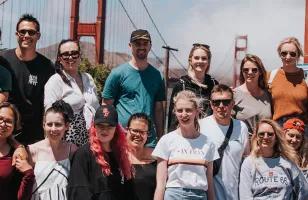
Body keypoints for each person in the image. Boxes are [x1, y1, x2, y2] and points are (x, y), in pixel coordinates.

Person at [102, 29, 166, 148]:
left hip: (149, 141)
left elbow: (158, 110)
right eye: (137, 43)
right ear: (130, 46)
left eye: (145, 43)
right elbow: (106, 107)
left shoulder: (158, 76)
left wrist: (161, 139)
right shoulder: (117, 74)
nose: (141, 47)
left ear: (150, 46)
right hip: (122, 140)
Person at [0, 14, 54, 145]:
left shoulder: (47, 67)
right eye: (22, 31)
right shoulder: (2, 60)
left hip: (34, 136)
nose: (27, 35)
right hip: (5, 132)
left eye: (31, 32)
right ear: (16, 34)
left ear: (38, 36)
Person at [153, 90, 217, 200]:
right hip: (174, 195)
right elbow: (160, 185)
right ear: (175, 112)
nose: (184, 114)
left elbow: (210, 184)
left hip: (200, 196)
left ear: (197, 112)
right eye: (179, 110)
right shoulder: (166, 140)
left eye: (188, 110)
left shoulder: (208, 143)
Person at [67, 104, 135, 200]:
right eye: (100, 125)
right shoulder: (83, 154)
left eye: (110, 126)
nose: (105, 130)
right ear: (94, 127)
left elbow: (129, 192)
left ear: (116, 129)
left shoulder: (121, 155)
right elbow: (78, 191)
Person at [44, 39, 100, 146]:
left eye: (74, 53)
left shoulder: (88, 78)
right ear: (60, 59)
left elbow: (96, 107)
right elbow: (49, 115)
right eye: (65, 55)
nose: (70, 57)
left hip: (91, 140)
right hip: (66, 142)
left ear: (80, 56)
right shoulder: (55, 81)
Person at [199, 84, 249, 200]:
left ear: (232, 104)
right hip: (206, 195)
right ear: (211, 104)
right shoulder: (200, 126)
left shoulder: (241, 127)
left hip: (234, 194)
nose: (221, 106)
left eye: (226, 102)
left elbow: (246, 162)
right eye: (216, 102)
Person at [239, 119, 308, 199]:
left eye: (270, 134)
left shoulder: (287, 161)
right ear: (256, 137)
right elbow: (245, 196)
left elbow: (303, 190)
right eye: (261, 134)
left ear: (276, 138)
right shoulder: (249, 163)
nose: (265, 137)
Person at [28, 100, 77, 200]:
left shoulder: (72, 150)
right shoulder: (32, 150)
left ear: (66, 126)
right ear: (43, 125)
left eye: (58, 124)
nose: (53, 129)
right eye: (49, 124)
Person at [168, 43, 218, 132]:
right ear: (190, 60)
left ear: (208, 61)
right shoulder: (181, 85)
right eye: (196, 58)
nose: (200, 61)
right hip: (185, 136)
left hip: (209, 135)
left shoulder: (214, 84)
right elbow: (173, 119)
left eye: (204, 58)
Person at [268, 37, 307, 129]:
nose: (288, 57)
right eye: (284, 53)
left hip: (300, 129)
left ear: (298, 56)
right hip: (278, 128)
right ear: (279, 55)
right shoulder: (270, 76)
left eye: (292, 54)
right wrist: (233, 93)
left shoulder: (306, 78)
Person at [0, 102, 34, 200]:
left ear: (15, 126)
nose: (3, 124)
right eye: (0, 118)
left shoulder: (17, 155)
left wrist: (28, 174)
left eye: (9, 121)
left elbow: (22, 196)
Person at [233, 54, 272, 134]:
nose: (249, 73)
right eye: (246, 70)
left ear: (260, 72)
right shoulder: (234, 95)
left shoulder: (268, 95)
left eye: (254, 70)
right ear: (242, 72)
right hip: (243, 143)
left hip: (264, 142)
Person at [126, 113, 156, 200]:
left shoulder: (157, 157)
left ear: (148, 134)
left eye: (142, 132)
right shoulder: (117, 156)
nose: (138, 135)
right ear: (127, 130)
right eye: (134, 130)